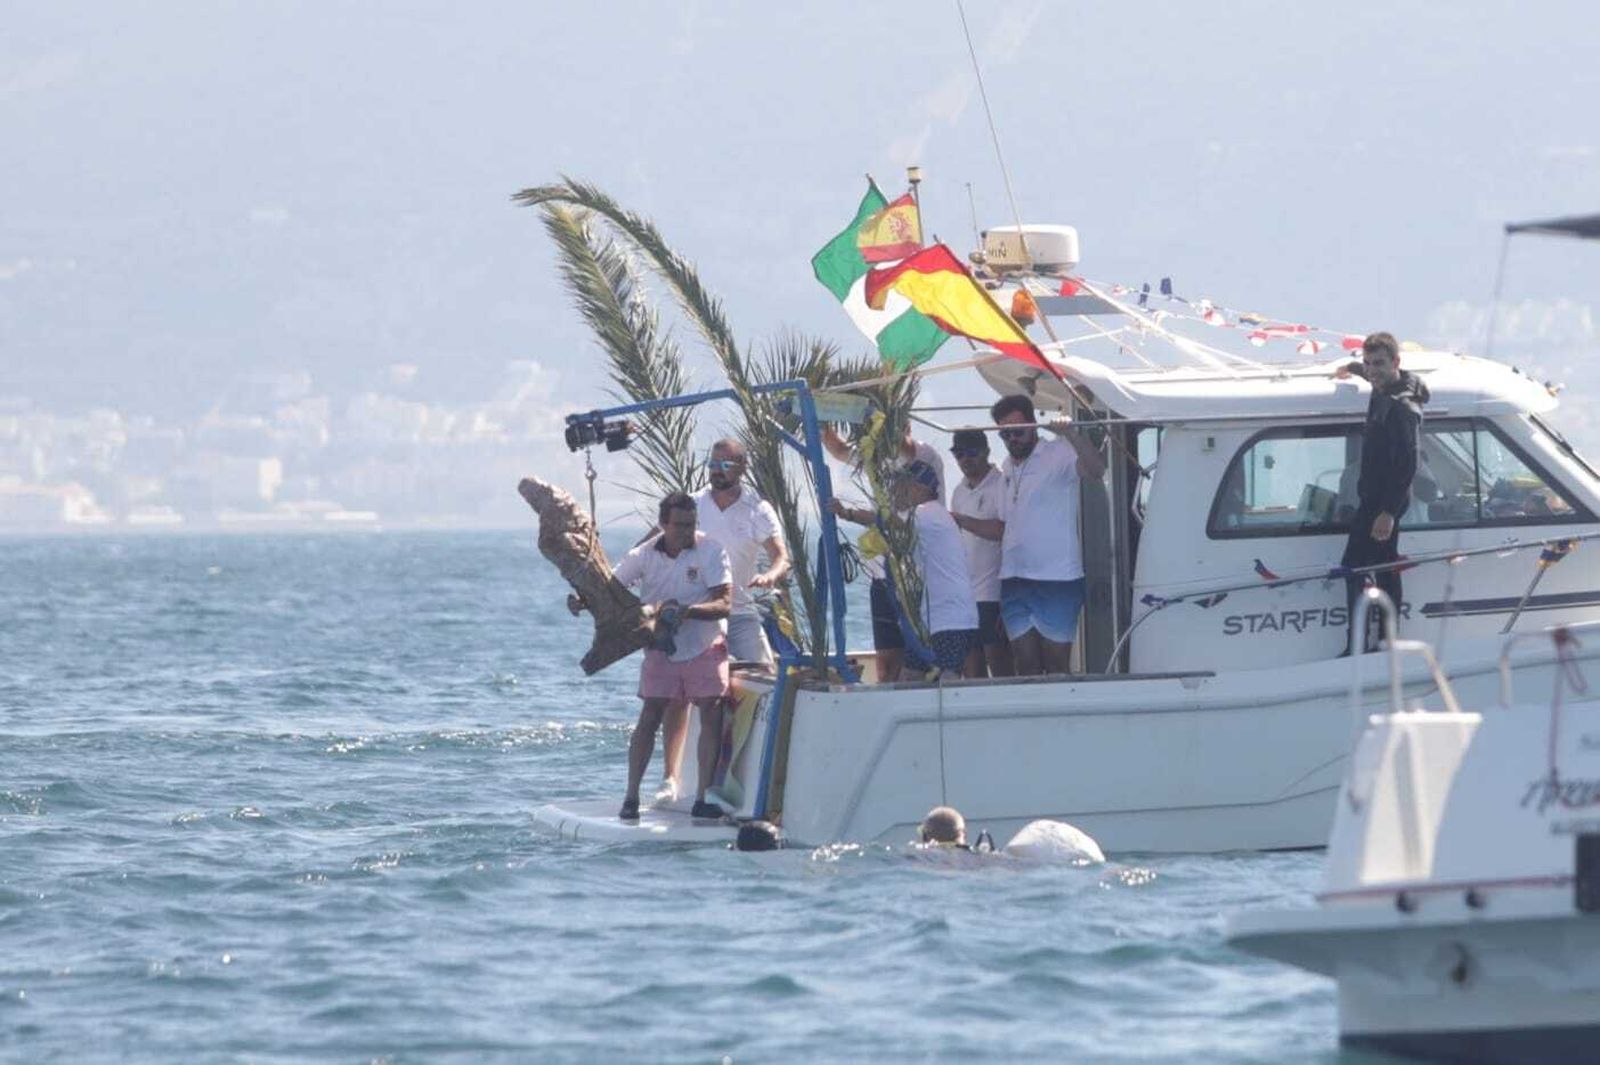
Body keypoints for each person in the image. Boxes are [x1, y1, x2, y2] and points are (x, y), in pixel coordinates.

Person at [656, 438, 790, 802]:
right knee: (677, 694)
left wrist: (771, 575)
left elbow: (781, 555)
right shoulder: (695, 504)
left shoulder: (757, 509)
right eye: (713, 463)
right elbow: (656, 540)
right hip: (696, 614)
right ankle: (670, 778)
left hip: (741, 610)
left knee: (769, 681)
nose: (717, 471)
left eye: (726, 465)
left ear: (742, 468)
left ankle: (760, 773)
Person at [957, 395, 1106, 676]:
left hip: (1057, 579)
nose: (1012, 438)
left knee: (1056, 664)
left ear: (1033, 425)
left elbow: (1097, 470)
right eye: (1005, 434)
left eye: (1018, 431)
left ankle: (1062, 720)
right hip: (1014, 579)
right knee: (1024, 665)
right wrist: (961, 520)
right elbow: (1002, 527)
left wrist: (1071, 434)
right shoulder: (1008, 467)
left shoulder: (1058, 452)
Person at [609, 492, 732, 822]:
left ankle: (703, 796)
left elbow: (724, 603)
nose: (686, 532)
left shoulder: (711, 550)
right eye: (679, 525)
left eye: (691, 525)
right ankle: (632, 795)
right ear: (663, 524)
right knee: (650, 712)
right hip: (661, 647)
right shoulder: (644, 554)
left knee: (711, 709)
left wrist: (688, 611)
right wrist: (581, 600)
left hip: (705, 643)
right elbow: (611, 587)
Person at [822, 423, 947, 684]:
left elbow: (906, 448)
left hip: (916, 577)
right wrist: (823, 418)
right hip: (882, 575)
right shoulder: (872, 454)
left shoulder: (924, 456)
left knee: (922, 661)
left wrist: (880, 417)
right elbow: (838, 449)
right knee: (886, 666)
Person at [831, 461, 977, 678]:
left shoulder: (928, 514)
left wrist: (845, 513)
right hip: (930, 619)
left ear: (920, 488)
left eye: (901, 485)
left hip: (949, 619)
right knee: (908, 677)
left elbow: (887, 522)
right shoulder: (928, 515)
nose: (895, 490)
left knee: (947, 683)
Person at [1334, 332, 1429, 654]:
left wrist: (1388, 512)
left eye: (1378, 364)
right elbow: (1377, 376)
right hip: (1375, 496)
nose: (1372, 370)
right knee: (1384, 563)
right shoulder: (1386, 384)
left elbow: (1409, 461)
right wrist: (1353, 368)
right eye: (1368, 363)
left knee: (1355, 565)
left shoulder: (1402, 407)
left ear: (1396, 363)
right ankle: (1387, 638)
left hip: (1384, 499)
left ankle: (1361, 643)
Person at [947, 428, 1013, 678]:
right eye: (959, 453)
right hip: (965, 595)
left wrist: (963, 520)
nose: (965, 459)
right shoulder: (959, 491)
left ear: (986, 451)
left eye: (972, 452)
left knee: (1000, 665)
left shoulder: (1002, 484)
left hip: (994, 592)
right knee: (971, 669)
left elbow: (1003, 530)